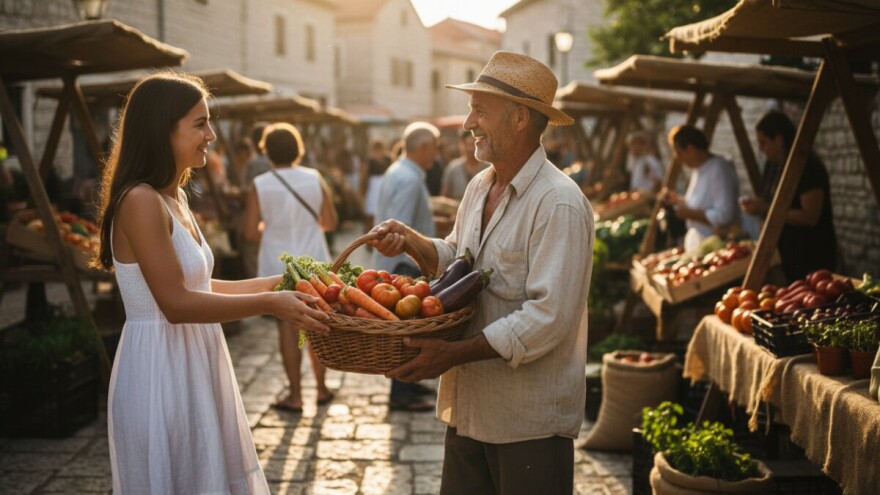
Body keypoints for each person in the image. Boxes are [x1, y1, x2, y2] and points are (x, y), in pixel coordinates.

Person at [369, 51, 593, 494]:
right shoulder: (479, 186)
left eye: (480, 110)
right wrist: (412, 241)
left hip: (527, 421)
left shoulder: (559, 203)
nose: (469, 122)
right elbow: (460, 259)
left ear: (520, 119)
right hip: (469, 409)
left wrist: (451, 354)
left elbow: (548, 317)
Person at [95, 73, 329, 493]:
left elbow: (200, 284)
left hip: (194, 359)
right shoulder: (140, 200)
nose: (212, 135)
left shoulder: (174, 197)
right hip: (160, 369)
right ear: (162, 129)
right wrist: (270, 305)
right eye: (200, 123)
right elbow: (177, 304)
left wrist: (276, 283)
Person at [244, 122, 338, 412]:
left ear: (266, 151)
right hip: (314, 260)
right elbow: (331, 222)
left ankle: (295, 395)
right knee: (318, 323)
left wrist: (272, 228)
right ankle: (321, 389)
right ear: (298, 148)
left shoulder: (260, 184)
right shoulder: (314, 178)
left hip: (277, 263)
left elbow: (249, 231)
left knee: (287, 328)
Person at [371, 122, 441, 412]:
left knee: (406, 330)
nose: (435, 155)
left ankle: (407, 383)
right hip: (404, 265)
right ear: (423, 148)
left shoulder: (400, 171)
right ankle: (402, 391)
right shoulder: (409, 178)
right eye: (433, 148)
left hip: (400, 264)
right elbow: (398, 229)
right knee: (408, 331)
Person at [739, 110, 836, 280]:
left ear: (779, 140)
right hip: (787, 256)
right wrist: (759, 206)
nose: (760, 149)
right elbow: (776, 201)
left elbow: (810, 216)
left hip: (810, 254)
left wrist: (767, 209)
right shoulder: (774, 166)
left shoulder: (808, 168)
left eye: (763, 143)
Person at [661, 124, 740, 252]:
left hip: (716, 246)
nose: (678, 158)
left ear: (691, 149)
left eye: (679, 153)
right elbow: (701, 203)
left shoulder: (719, 169)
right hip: (699, 244)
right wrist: (679, 201)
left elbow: (725, 215)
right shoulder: (699, 170)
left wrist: (691, 214)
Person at [239, 122, 272, 278]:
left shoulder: (254, 163)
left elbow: (247, 192)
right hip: (271, 218)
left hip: (257, 218)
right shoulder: (274, 162)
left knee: (253, 258)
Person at [440, 130, 489, 201]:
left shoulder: (488, 168)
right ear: (462, 145)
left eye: (474, 144)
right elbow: (444, 197)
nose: (471, 149)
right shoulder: (453, 168)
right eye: (468, 144)